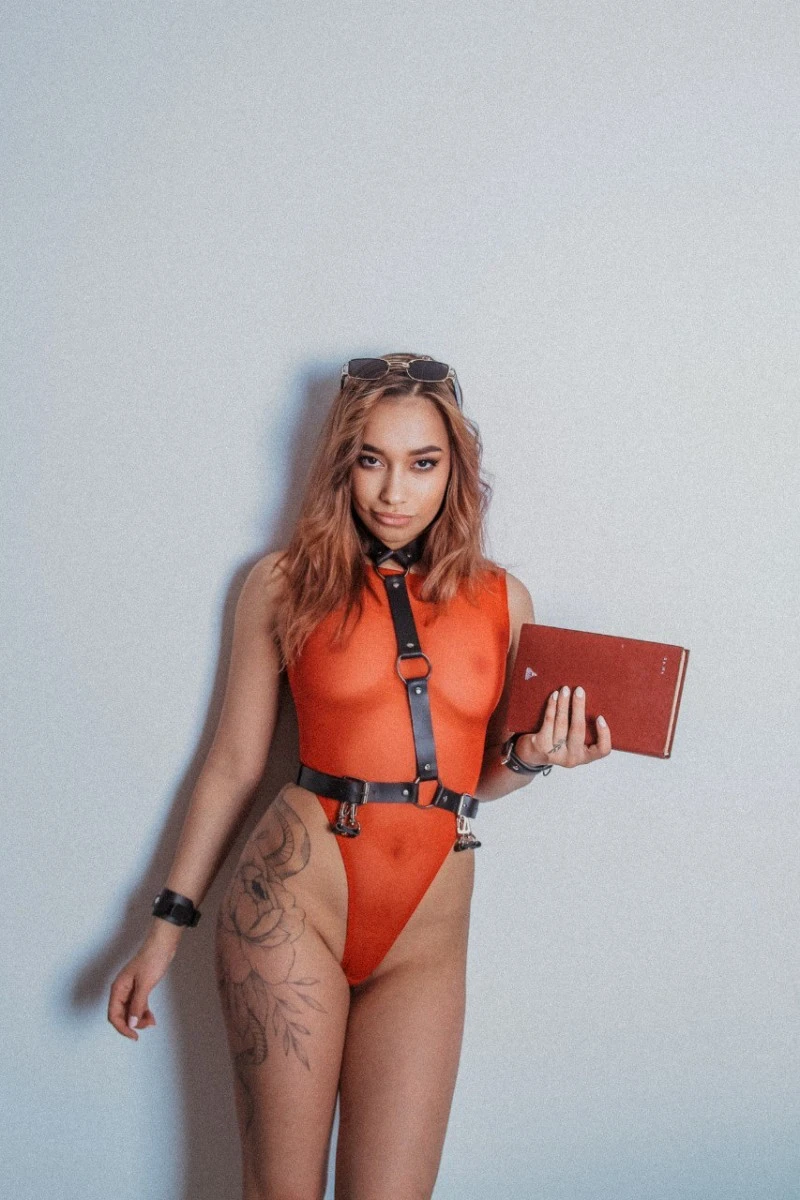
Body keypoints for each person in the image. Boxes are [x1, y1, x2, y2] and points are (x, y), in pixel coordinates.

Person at [108, 352, 612, 1199]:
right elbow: (233, 765)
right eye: (370, 460)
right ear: (340, 463)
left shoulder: (505, 601)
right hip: (289, 913)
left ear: (456, 472)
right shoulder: (282, 584)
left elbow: (479, 775)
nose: (393, 492)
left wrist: (534, 757)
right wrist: (165, 928)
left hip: (427, 941)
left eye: (423, 464)